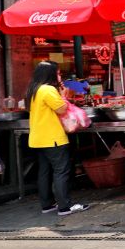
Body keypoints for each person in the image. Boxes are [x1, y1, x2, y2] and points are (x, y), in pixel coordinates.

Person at [27, 60, 89, 216]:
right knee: (62, 170)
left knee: (44, 171)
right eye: (58, 72)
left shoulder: (33, 89)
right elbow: (61, 109)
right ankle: (65, 206)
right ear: (51, 74)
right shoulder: (48, 90)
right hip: (52, 137)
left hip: (38, 137)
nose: (60, 75)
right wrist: (64, 96)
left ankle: (47, 204)